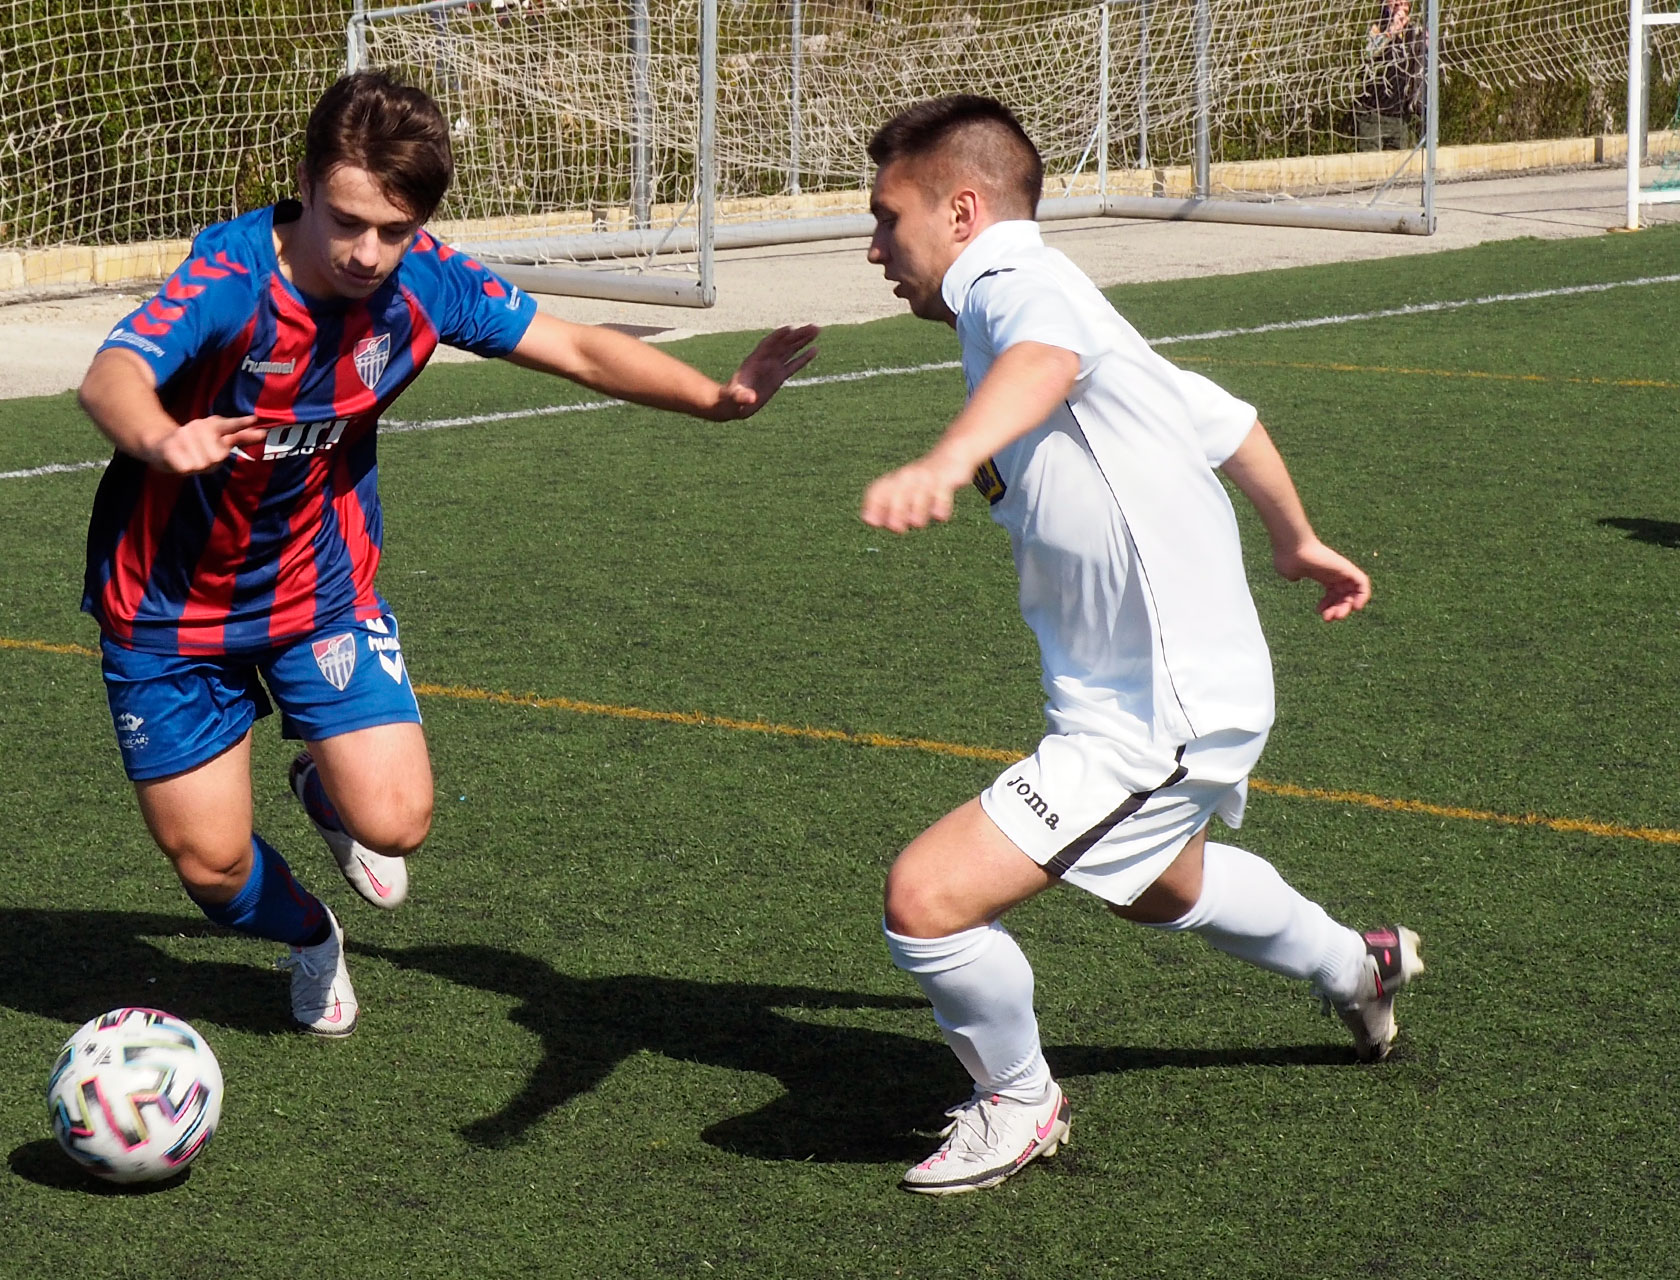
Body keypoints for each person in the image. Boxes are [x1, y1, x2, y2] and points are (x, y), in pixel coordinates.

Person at [76, 71, 817, 1038]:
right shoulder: (227, 283)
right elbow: (113, 375)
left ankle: (324, 782)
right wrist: (158, 438)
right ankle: (309, 937)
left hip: (319, 588)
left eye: (395, 229)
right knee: (211, 867)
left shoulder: (422, 277)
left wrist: (718, 398)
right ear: (303, 183)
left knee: (397, 824)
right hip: (169, 610)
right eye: (347, 222)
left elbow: (582, 348)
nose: (369, 254)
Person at [858, 95, 1423, 1196]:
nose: (875, 244)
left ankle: (1019, 1102)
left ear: (962, 211)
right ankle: (1362, 962)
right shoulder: (1068, 300)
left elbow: (1045, 360)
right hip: (1159, 692)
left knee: (926, 900)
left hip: (1154, 709)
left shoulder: (1009, 281)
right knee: (1156, 883)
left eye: (887, 216)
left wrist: (946, 457)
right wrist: (1295, 537)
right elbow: (1227, 422)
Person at [1357, 0, 1426, 152]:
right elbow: (1368, 52)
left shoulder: (1413, 32)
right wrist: (1391, 31)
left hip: (1399, 116)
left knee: (1399, 167)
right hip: (1372, 115)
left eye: (1405, 3)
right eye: (1395, 3)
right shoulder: (1375, 26)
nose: (1400, 6)